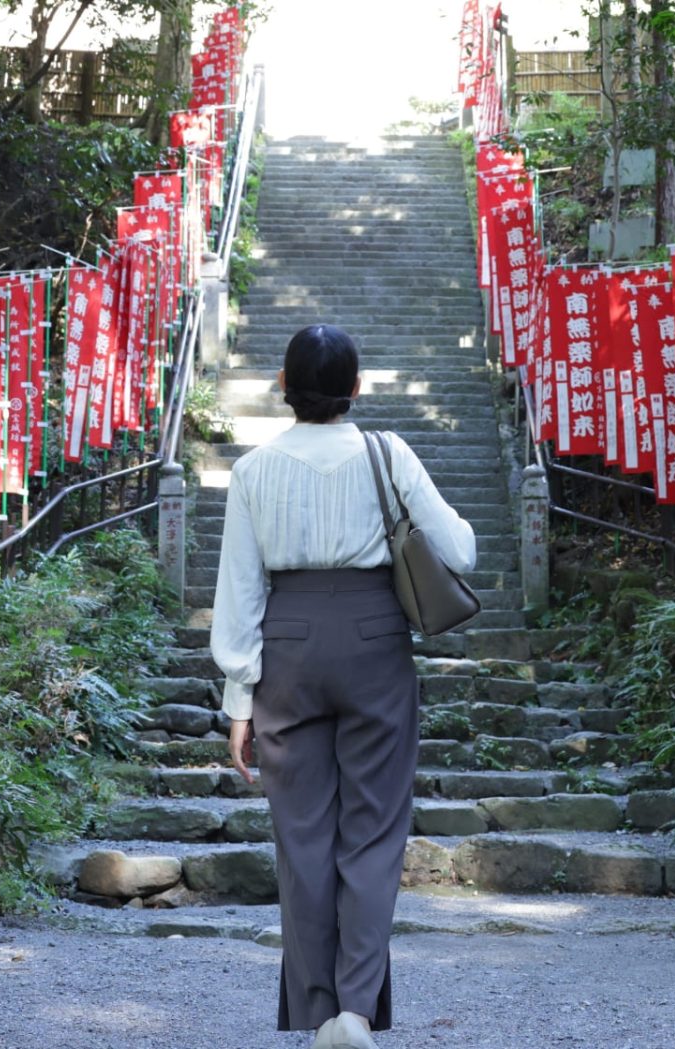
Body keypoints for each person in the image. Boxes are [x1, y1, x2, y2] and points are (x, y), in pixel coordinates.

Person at [210, 324, 476, 1049]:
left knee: (302, 839)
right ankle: (355, 1009)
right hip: (373, 643)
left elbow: (239, 593)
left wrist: (239, 701)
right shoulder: (387, 454)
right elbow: (461, 550)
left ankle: (322, 1007)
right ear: (357, 389)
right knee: (374, 830)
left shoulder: (255, 470)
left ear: (282, 387)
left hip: (287, 648)